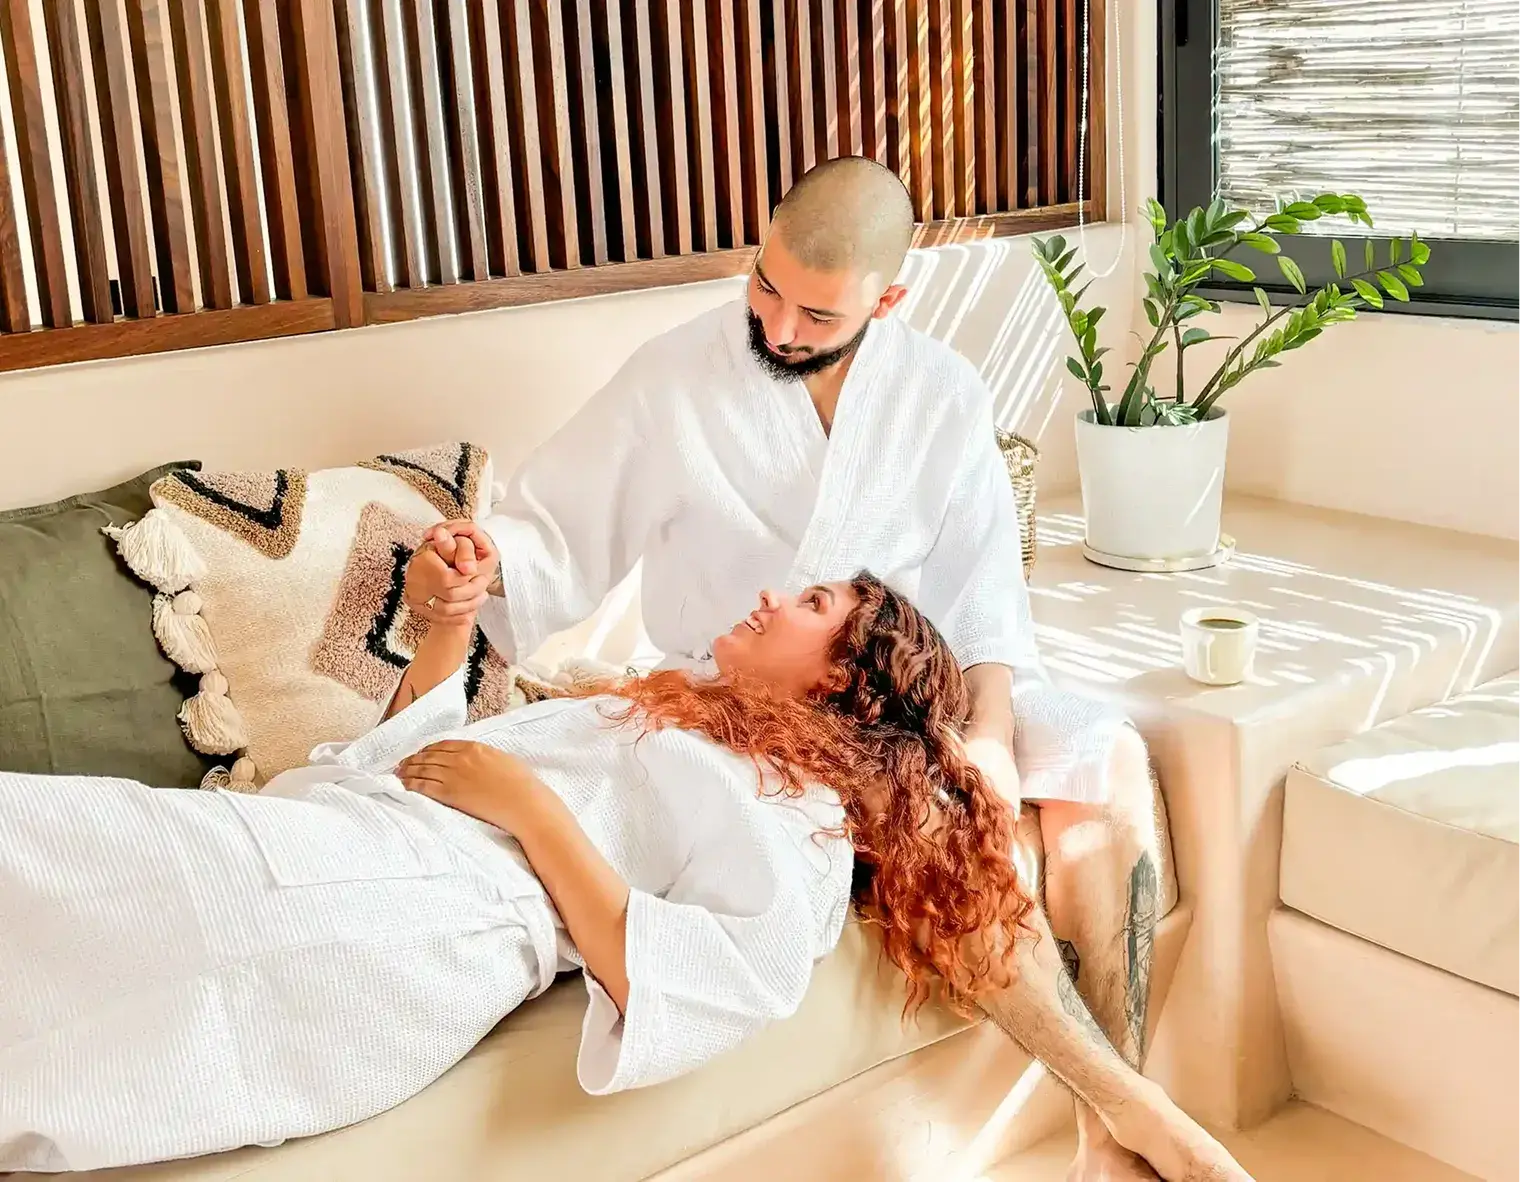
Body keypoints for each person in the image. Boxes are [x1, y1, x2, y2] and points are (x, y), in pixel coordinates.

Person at [405, 157, 1252, 1181]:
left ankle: (1103, 1134)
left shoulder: (939, 394)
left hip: (903, 688)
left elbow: (985, 607)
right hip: (741, 704)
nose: (776, 327)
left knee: (1106, 762)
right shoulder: (673, 378)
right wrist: (478, 562)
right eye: (764, 286)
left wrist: (985, 744)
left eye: (814, 313)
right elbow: (548, 533)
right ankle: (1132, 1114)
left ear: (887, 301)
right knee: (921, 813)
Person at [0, 572, 1032, 1174]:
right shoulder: (667, 710)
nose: (770, 595)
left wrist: (531, 810)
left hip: (411, 921)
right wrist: (448, 633)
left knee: (68, 914)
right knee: (61, 857)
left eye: (810, 602)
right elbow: (429, 767)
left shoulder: (794, 810)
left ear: (845, 676)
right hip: (361, 854)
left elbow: (712, 978)